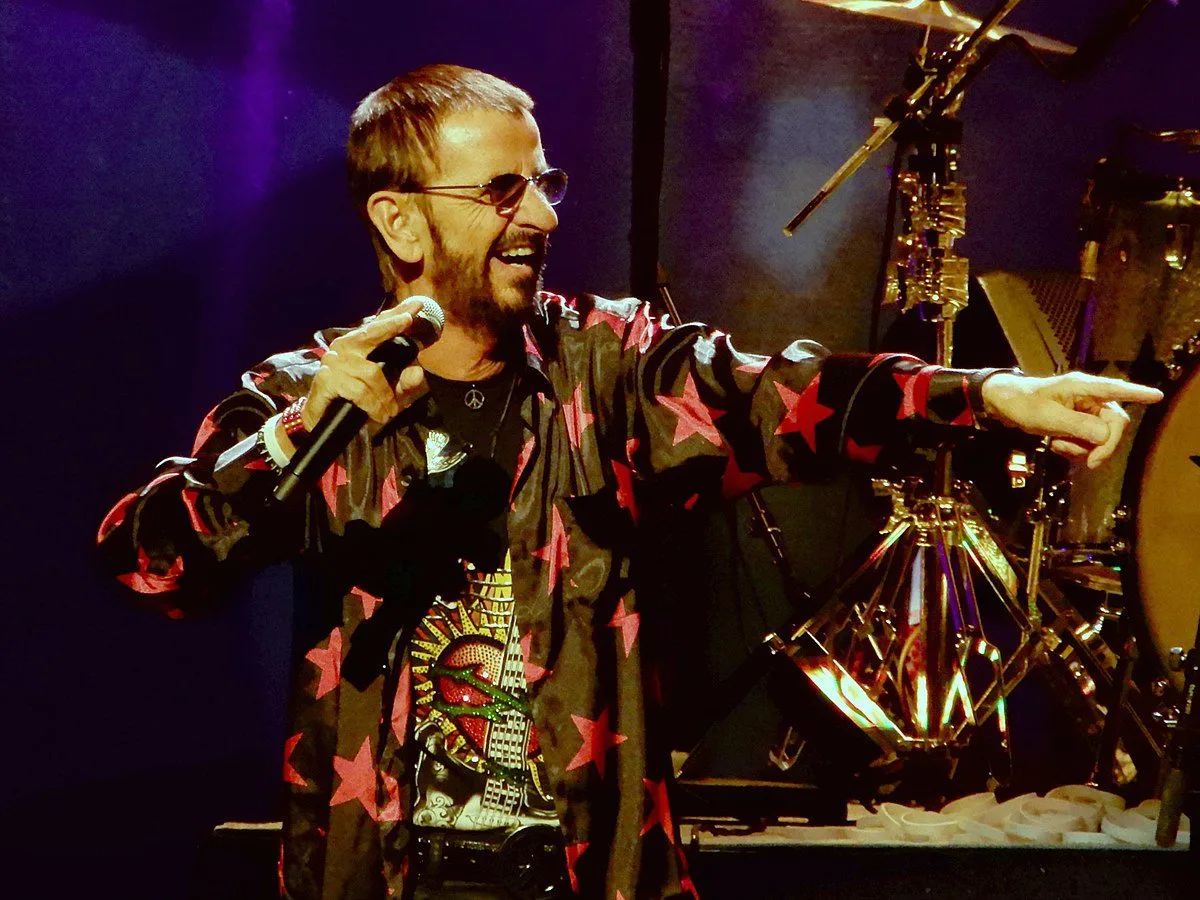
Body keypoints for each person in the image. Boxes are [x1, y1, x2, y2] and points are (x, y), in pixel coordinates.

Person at [97, 64, 1162, 900]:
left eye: (544, 183)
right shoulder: (309, 396)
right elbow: (152, 562)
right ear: (400, 221)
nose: (543, 216)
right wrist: (297, 437)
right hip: (382, 872)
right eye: (503, 190)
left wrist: (983, 394)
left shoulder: (606, 369)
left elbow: (781, 393)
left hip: (580, 869)